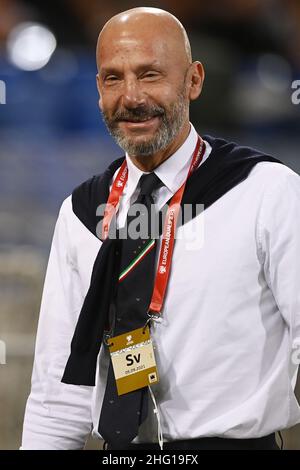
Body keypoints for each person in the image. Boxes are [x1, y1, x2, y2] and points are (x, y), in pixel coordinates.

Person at [21, 7, 300, 450]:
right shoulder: (81, 213)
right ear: (98, 89)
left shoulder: (265, 191)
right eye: (114, 78)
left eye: (150, 75)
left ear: (194, 80)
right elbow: (58, 394)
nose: (131, 97)